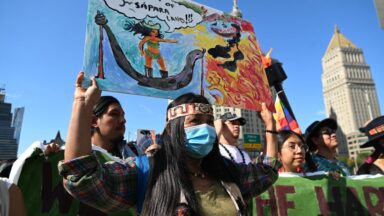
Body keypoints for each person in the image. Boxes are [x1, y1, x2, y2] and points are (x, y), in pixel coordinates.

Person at [59, 72, 280, 215]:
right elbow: (82, 179)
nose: (205, 129)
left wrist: (270, 127)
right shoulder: (146, 172)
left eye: (209, 122)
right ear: (172, 129)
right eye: (194, 121)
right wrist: (82, 105)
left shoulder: (229, 173)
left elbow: (268, 171)